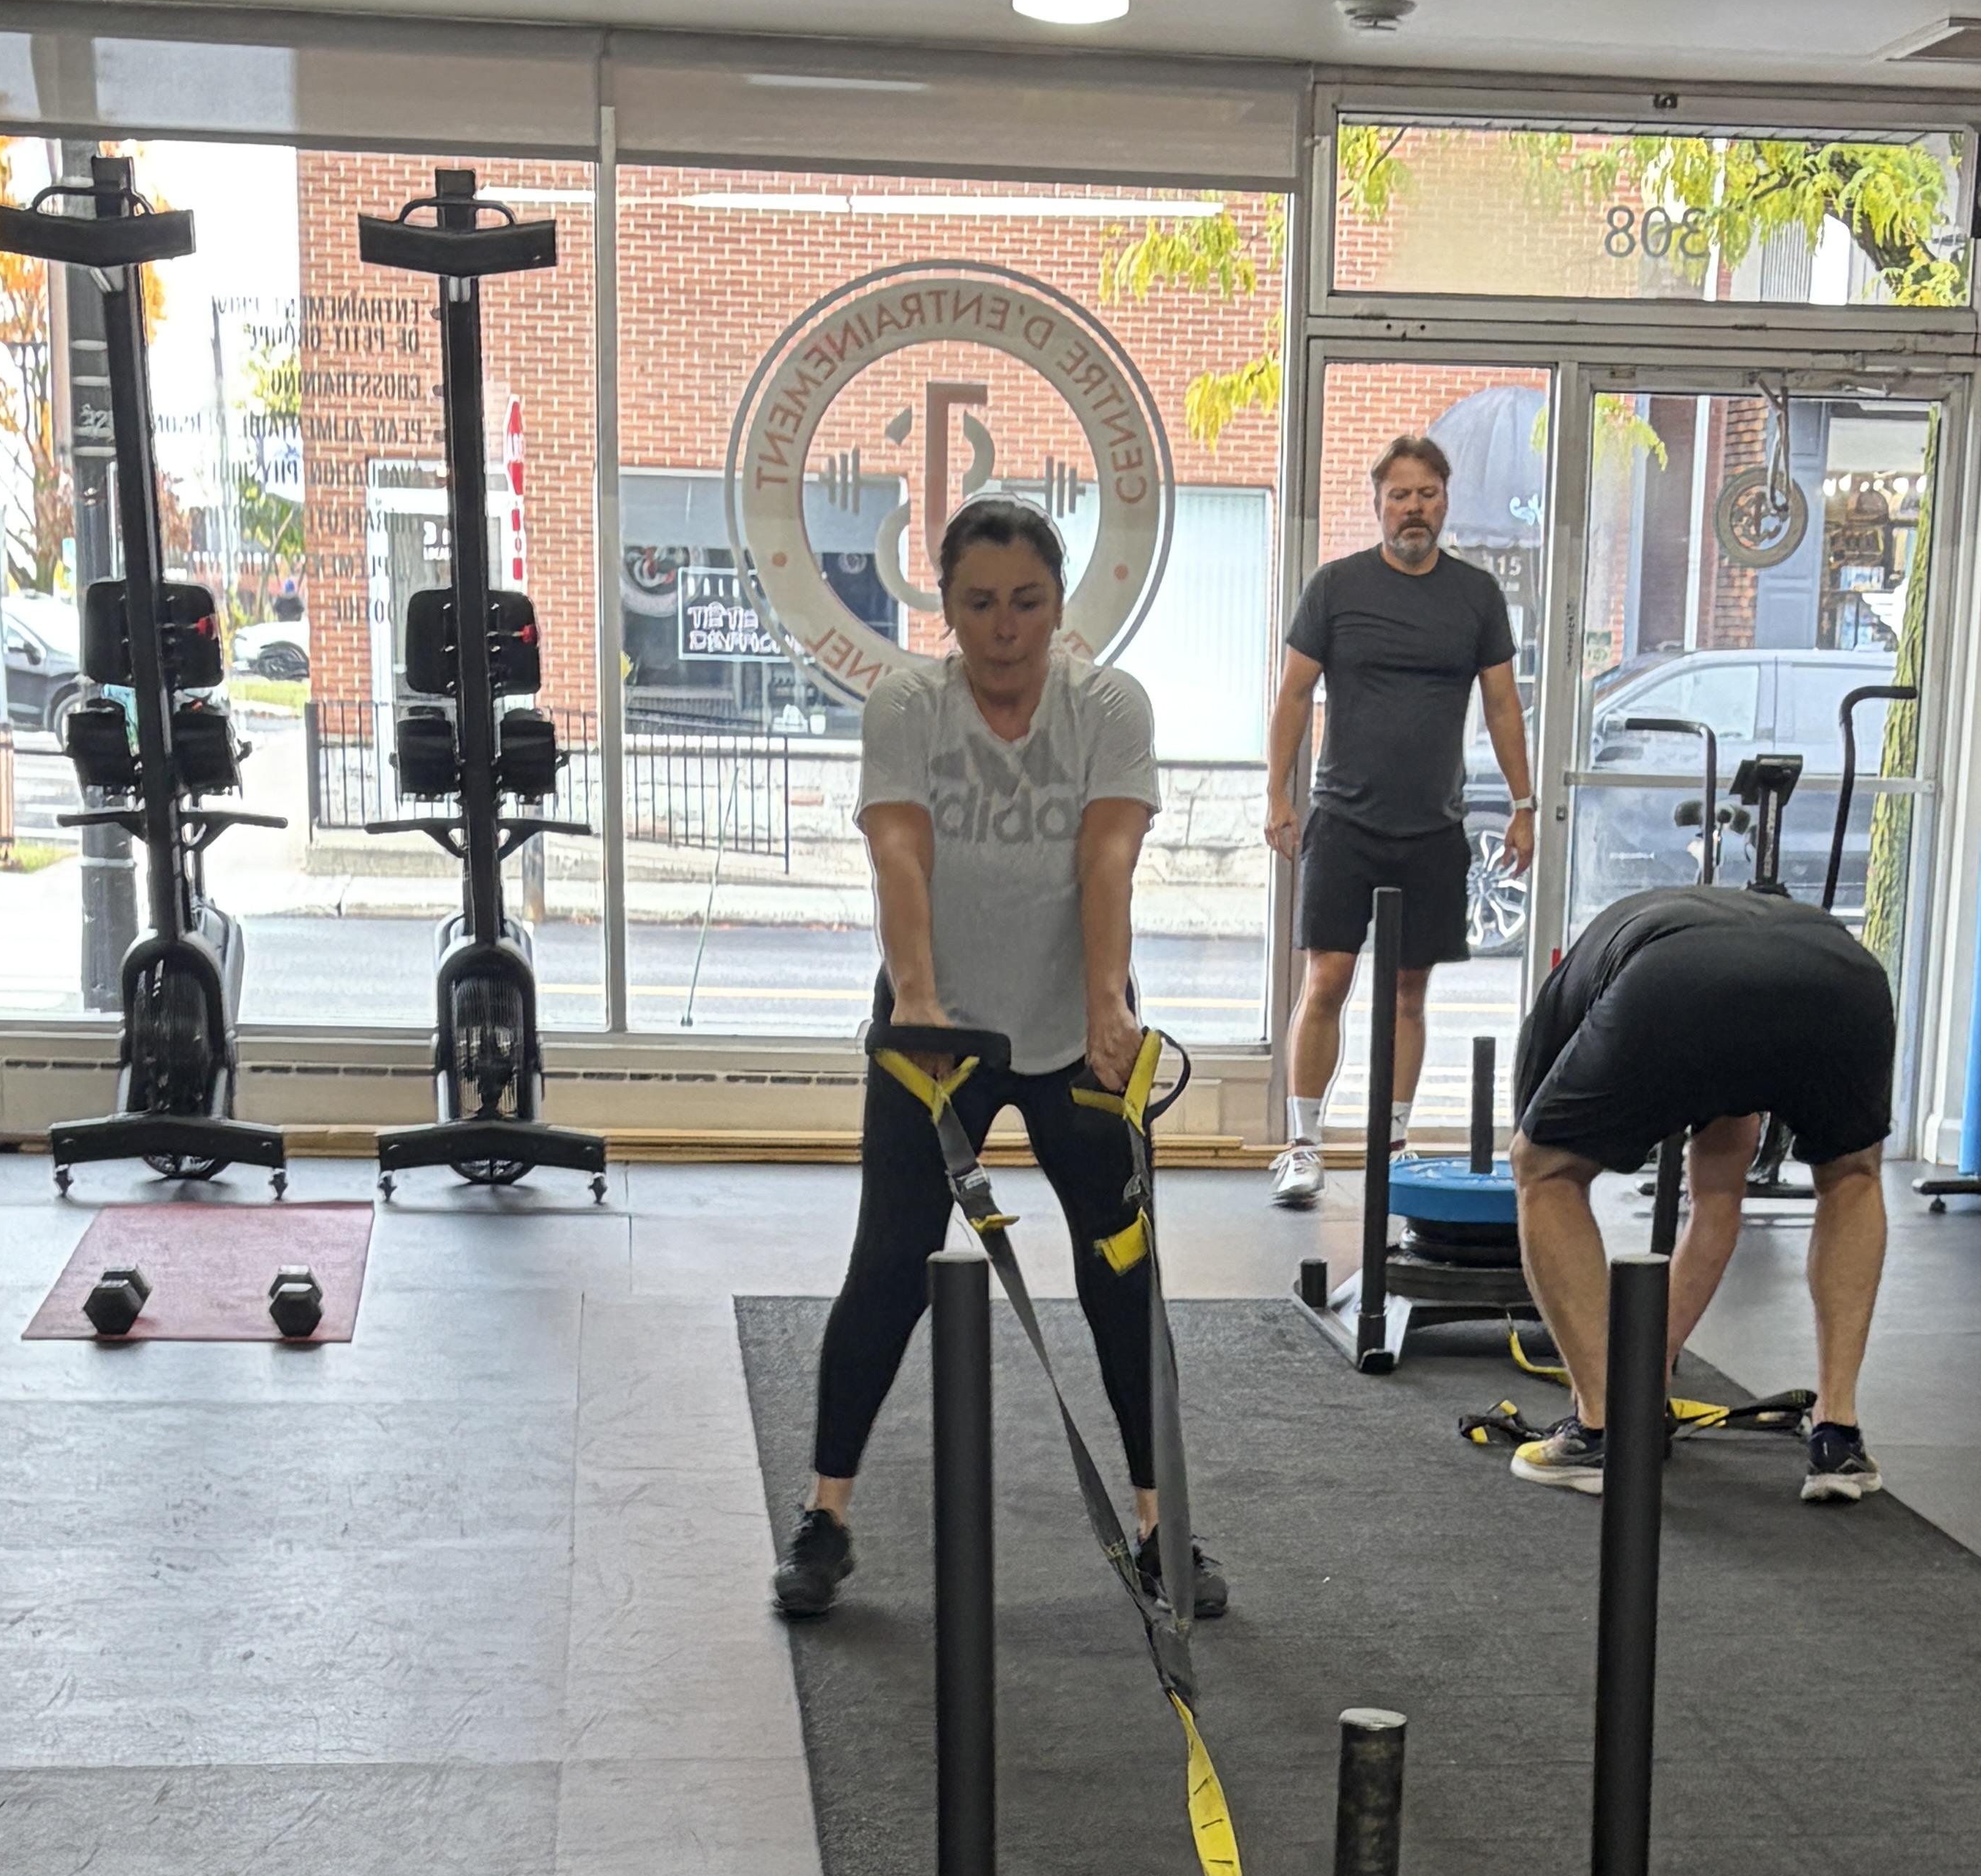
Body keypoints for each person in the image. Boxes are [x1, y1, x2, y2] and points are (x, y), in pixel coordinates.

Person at [773, 497, 1225, 1621]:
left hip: (1076, 1033)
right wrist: (919, 1002)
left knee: (1123, 1275)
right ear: (947, 604)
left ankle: (1164, 1529)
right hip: (939, 1032)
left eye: (1027, 602)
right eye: (979, 604)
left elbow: (1107, 861)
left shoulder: (1108, 706)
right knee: (889, 1266)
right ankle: (826, 1518)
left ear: (1059, 605)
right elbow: (899, 855)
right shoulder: (908, 706)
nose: (1004, 627)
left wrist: (1109, 1007)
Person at [1503, 884, 1896, 1502]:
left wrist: (1603, 1393)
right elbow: (1717, 1202)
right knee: (1852, 1176)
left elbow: (1537, 1161)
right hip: (1845, 978)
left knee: (1543, 1171)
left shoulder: (1558, 1014)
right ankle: (1838, 1437)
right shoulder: (1690, 938)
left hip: (1674, 979)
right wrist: (1646, 1372)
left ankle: (1604, 1434)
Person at [1263, 433, 1535, 1206]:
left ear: (1444, 501)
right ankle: (1303, 1146)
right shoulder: (1337, 586)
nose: (1413, 508)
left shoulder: (1476, 595)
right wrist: (1277, 793)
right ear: (1378, 504)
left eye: (1426, 495)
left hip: (1434, 827)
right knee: (1328, 978)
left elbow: (1503, 704)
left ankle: (1393, 1144)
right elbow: (1293, 694)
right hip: (1345, 820)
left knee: (1410, 990)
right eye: (1399, 496)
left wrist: (1522, 806)